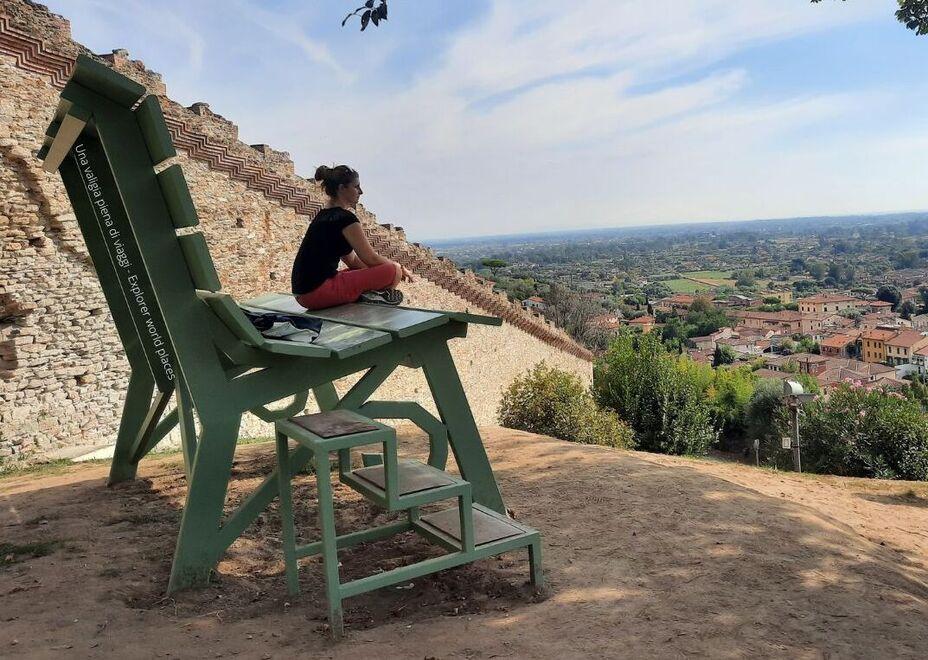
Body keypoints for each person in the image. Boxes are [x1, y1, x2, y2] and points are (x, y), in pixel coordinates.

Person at [291, 165, 412, 310]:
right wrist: (398, 268)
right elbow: (371, 258)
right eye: (356, 187)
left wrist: (372, 275)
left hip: (304, 293)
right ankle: (375, 296)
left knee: (372, 270)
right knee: (392, 271)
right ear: (342, 188)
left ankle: (370, 294)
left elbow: (352, 261)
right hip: (317, 292)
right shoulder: (345, 218)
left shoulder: (324, 216)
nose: (361, 191)